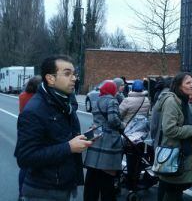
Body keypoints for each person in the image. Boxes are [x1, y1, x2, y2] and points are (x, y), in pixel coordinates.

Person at [14, 55, 92, 201]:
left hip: (63, 187)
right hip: (42, 192)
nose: (74, 78)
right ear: (50, 79)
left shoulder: (65, 104)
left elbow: (62, 137)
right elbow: (24, 158)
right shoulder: (34, 111)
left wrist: (81, 139)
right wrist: (69, 147)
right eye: (67, 73)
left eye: (74, 74)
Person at [155, 72, 192, 201]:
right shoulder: (171, 101)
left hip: (181, 151)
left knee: (175, 190)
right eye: (188, 83)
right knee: (173, 191)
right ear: (179, 86)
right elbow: (169, 129)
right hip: (174, 154)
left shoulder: (183, 100)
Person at [83, 81, 125, 201]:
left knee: (93, 172)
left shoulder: (97, 100)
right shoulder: (112, 100)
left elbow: (96, 119)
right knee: (107, 174)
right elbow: (113, 120)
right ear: (112, 90)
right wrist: (122, 125)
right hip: (108, 140)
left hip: (96, 135)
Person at [17, 75, 42, 201]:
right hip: (35, 130)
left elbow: (21, 111)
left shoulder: (22, 96)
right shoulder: (39, 98)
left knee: (24, 165)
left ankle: (21, 193)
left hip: (22, 128)